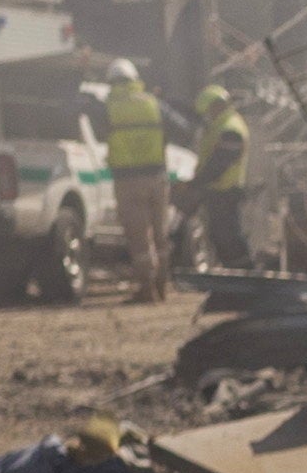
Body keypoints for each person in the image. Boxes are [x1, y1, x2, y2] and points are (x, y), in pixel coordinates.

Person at [98, 59, 174, 297]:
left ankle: (146, 287)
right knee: (161, 232)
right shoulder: (153, 102)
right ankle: (163, 284)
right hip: (157, 176)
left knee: (139, 236)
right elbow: (178, 126)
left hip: (128, 180)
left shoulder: (108, 106)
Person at [182, 79, 255, 274]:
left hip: (225, 191)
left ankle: (245, 276)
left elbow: (219, 163)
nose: (207, 116)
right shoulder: (220, 125)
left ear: (216, 106)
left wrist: (196, 183)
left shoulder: (230, 128)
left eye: (208, 111)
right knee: (221, 237)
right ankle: (234, 278)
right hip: (218, 190)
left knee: (229, 238)